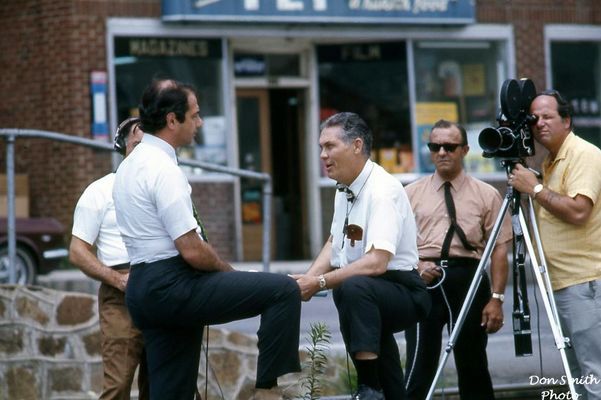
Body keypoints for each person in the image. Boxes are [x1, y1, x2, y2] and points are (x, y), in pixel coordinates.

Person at [112, 79, 301, 400]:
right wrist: (230, 274)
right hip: (172, 285)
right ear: (172, 120)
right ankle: (267, 392)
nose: (200, 123)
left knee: (172, 392)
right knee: (283, 291)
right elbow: (192, 250)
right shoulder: (163, 169)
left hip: (143, 289)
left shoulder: (128, 167)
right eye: (195, 115)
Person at [292, 112, 431, 400]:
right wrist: (308, 278)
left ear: (356, 145)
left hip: (403, 290)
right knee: (389, 370)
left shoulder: (382, 190)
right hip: (371, 290)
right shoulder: (344, 186)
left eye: (330, 146)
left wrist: (319, 284)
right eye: (321, 147)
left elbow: (377, 261)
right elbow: (335, 242)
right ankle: (385, 390)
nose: (323, 155)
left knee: (351, 288)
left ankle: (368, 388)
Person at [404, 119, 511, 400]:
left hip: (469, 278)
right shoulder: (409, 194)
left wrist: (496, 299)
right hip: (424, 279)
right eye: (435, 146)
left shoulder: (487, 194)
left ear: (464, 150)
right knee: (419, 365)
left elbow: (500, 248)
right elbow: (394, 244)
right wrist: (416, 266)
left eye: (449, 147)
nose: (442, 152)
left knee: (473, 364)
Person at [510, 90, 601, 399]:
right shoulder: (550, 162)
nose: (540, 124)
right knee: (576, 370)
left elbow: (578, 211)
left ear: (567, 120)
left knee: (594, 372)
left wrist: (534, 188)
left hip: (585, 282)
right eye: (535, 119)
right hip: (563, 283)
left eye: (548, 117)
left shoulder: (583, 154)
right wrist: (536, 182)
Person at [69, 117, 148, 400]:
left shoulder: (167, 188)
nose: (144, 152)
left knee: (170, 385)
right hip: (122, 292)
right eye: (138, 144)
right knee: (118, 385)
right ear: (122, 147)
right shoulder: (100, 190)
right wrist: (117, 279)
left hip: (165, 289)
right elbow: (77, 251)